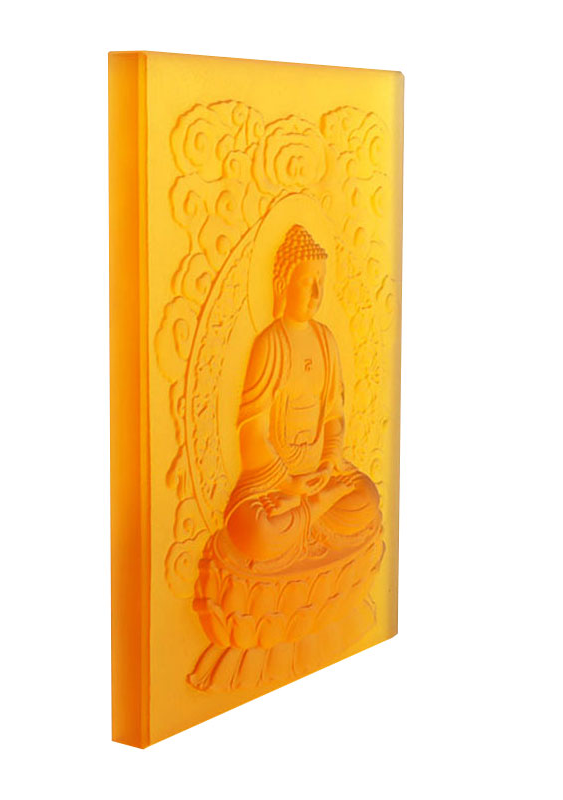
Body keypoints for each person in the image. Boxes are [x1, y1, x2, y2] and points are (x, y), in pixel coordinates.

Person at [189, 224, 383, 691]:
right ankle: (310, 520)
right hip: (271, 483)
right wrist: (287, 483)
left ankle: (313, 513)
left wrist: (330, 462)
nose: (316, 293)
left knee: (367, 498)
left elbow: (334, 414)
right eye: (306, 281)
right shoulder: (270, 344)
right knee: (256, 532)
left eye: (321, 282)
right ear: (282, 285)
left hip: (319, 477)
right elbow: (251, 429)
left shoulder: (326, 340)